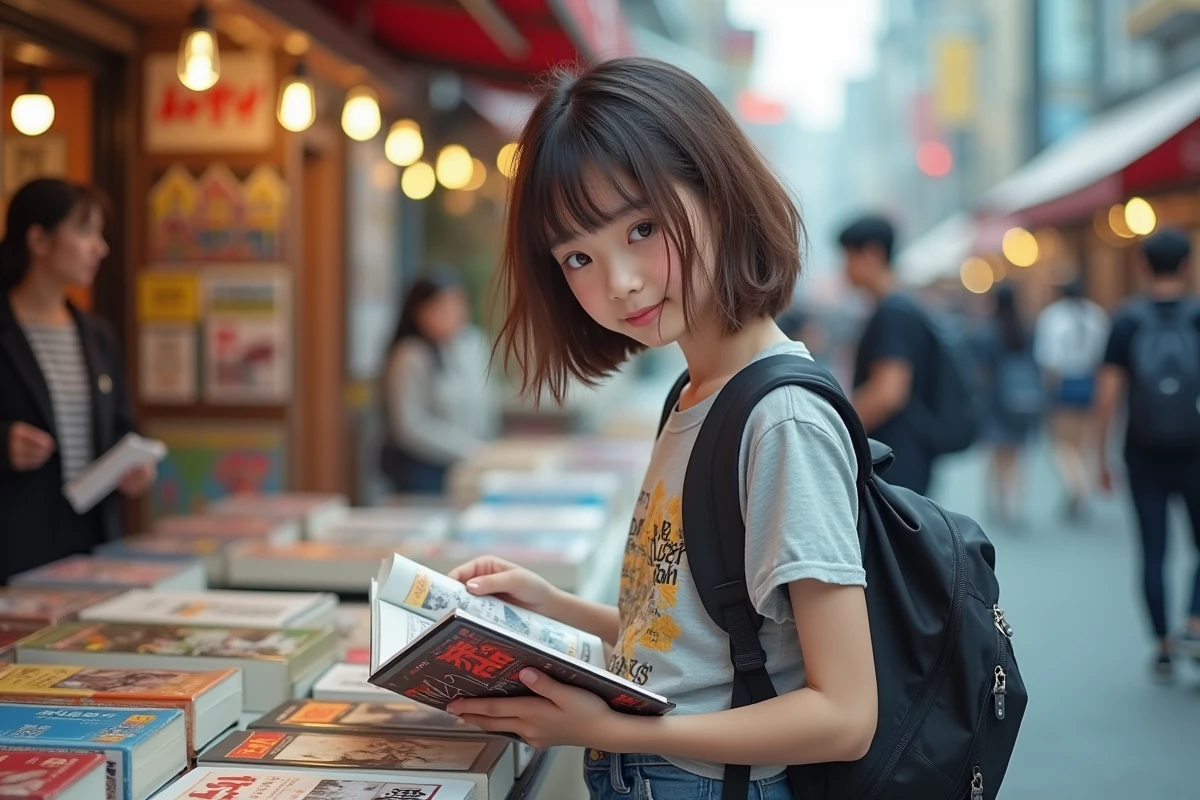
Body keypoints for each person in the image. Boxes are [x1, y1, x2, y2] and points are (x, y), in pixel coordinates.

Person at [443, 57, 876, 799]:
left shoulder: (780, 419)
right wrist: (549, 607)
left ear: (718, 191)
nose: (621, 281)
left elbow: (844, 715)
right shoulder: (694, 393)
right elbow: (696, 643)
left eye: (641, 227)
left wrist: (610, 730)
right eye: (579, 255)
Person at [0, 178, 154, 584]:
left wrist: (134, 464)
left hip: (90, 541)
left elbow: (122, 425)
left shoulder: (97, 335)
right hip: (14, 544)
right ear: (39, 240)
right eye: (85, 231)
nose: (99, 248)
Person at [1096, 229, 1200, 682]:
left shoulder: (1127, 321)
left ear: (1142, 266)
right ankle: (1195, 622)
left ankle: (1162, 645)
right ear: (1188, 265)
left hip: (1142, 449)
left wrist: (1100, 454)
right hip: (1196, 449)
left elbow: (1108, 394)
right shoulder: (1198, 316)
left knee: (1153, 550)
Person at [838, 215, 940, 494]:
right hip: (905, 453)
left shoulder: (893, 311)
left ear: (873, 253)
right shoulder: (901, 305)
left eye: (848, 256)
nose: (844, 268)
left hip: (895, 457)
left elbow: (888, 393)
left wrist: (837, 428)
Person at [380, 272, 498, 494]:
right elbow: (410, 426)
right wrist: (468, 448)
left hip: (473, 463)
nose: (453, 314)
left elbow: (485, 401)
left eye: (458, 305)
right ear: (420, 312)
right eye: (442, 307)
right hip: (425, 469)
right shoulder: (411, 355)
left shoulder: (472, 343)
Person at [1034, 278, 1109, 520]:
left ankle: (1077, 484)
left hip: (1065, 381)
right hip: (1089, 379)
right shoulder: (1096, 315)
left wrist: (1049, 392)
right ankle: (1079, 483)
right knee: (1080, 441)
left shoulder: (1053, 317)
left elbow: (1049, 361)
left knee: (1062, 443)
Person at [977, 283, 1043, 526]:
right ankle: (1015, 504)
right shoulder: (1027, 328)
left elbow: (982, 370)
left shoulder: (988, 331)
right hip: (1024, 398)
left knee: (996, 454)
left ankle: (998, 502)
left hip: (996, 400)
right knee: (1016, 455)